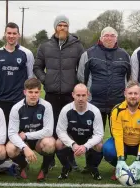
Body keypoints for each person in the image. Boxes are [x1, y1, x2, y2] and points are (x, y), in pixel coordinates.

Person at [34, 15, 85, 171]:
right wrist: (46, 80)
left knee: (70, 128)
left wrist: (76, 85)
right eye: (60, 25)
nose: (62, 28)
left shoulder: (77, 46)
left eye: (65, 25)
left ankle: (70, 158)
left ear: (68, 27)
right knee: (52, 127)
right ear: (55, 27)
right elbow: (37, 67)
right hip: (51, 94)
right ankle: (50, 159)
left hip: (70, 95)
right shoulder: (45, 46)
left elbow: (82, 68)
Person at [102, 80, 140, 182]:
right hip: (123, 143)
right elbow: (117, 135)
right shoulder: (116, 110)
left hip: (139, 143)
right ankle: (118, 166)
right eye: (130, 93)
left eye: (136, 93)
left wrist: (139, 159)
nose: (133, 96)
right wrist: (120, 159)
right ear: (125, 94)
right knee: (107, 149)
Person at [77, 26, 131, 130]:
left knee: (119, 136)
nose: (109, 38)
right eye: (106, 35)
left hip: (118, 104)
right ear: (101, 38)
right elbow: (81, 76)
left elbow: (128, 77)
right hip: (94, 103)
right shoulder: (88, 54)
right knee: (94, 137)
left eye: (112, 36)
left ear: (116, 38)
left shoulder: (124, 55)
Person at [5, 78, 55, 182]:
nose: (33, 95)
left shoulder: (46, 106)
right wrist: (24, 147)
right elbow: (12, 133)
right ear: (25, 92)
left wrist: (27, 135)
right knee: (10, 148)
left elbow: (49, 131)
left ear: (40, 92)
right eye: (30, 92)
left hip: (39, 141)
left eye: (36, 92)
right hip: (24, 142)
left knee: (50, 143)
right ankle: (23, 165)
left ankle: (44, 169)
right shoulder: (16, 108)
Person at [0, 22, 34, 134]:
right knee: (4, 131)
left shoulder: (27, 53)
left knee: (20, 131)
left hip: (19, 98)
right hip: (2, 98)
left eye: (14, 33)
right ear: (5, 34)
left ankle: (20, 151)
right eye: (9, 33)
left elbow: (30, 77)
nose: (11, 36)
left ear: (18, 35)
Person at [55, 83, 104, 180]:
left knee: (99, 145)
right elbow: (60, 131)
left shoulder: (95, 111)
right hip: (72, 138)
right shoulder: (66, 110)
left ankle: (92, 167)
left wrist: (86, 146)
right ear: (73, 95)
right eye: (78, 95)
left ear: (88, 95)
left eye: (83, 95)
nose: (80, 98)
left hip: (88, 139)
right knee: (58, 143)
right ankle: (66, 167)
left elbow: (99, 134)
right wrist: (72, 144)